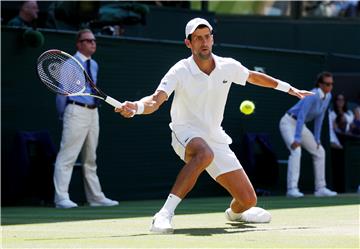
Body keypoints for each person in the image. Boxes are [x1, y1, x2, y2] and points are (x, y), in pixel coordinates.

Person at [115, 17, 313, 233]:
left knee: (248, 199)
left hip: (215, 136)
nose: (204, 42)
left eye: (207, 37)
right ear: (188, 43)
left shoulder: (228, 66)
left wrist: (290, 89)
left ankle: (236, 214)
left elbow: (255, 77)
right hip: (185, 132)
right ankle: (164, 214)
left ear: (212, 39)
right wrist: (136, 107)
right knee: (204, 153)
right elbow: (156, 100)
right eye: (198, 38)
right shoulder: (179, 70)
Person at [53, 29, 119, 209]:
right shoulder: (69, 64)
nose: (92, 43)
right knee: (68, 156)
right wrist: (64, 113)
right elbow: (62, 93)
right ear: (79, 44)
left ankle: (95, 198)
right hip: (75, 111)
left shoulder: (94, 64)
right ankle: (61, 198)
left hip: (93, 112)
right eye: (88, 40)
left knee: (90, 158)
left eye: (94, 40)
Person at [279, 71, 338, 198]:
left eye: (331, 84)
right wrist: (297, 138)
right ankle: (292, 189)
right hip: (289, 122)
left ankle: (320, 188)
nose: (330, 87)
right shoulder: (312, 95)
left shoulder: (328, 97)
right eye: (327, 84)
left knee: (320, 151)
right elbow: (301, 116)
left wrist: (317, 138)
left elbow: (320, 117)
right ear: (320, 84)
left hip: (301, 126)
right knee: (296, 151)